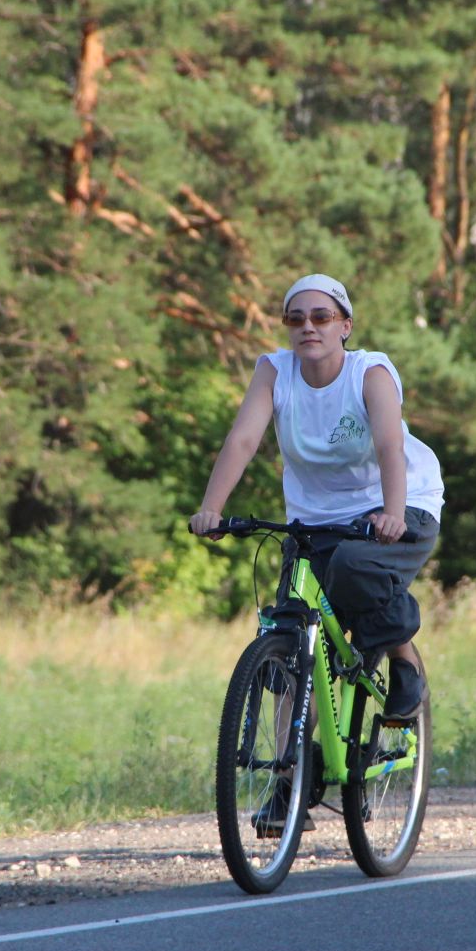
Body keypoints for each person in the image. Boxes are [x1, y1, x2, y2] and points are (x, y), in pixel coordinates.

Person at [188, 272, 444, 724]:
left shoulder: (371, 372)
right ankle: (287, 783)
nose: (309, 326)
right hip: (315, 520)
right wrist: (212, 508)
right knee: (290, 638)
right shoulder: (274, 371)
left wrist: (393, 512)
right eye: (296, 318)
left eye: (322, 316)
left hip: (401, 502)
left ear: (344, 325)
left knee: (352, 566)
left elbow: (389, 445)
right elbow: (243, 440)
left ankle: (403, 663)